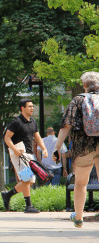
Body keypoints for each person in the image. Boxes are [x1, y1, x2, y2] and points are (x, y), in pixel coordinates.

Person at [52, 71, 99, 228]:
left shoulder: (78, 100)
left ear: (84, 85)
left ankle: (78, 218)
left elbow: (66, 126)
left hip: (83, 145)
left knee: (80, 183)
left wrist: (57, 147)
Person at [2, 98, 47, 214]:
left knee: (31, 180)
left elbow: (37, 137)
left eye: (32, 106)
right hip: (19, 154)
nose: (32, 108)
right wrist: (15, 150)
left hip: (29, 154)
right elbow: (7, 138)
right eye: (30, 106)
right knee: (26, 179)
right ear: (22, 108)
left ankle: (8, 195)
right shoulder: (16, 122)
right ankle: (28, 206)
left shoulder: (33, 122)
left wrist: (44, 149)